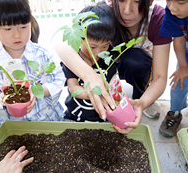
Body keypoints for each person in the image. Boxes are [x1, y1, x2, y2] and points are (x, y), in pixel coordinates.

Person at [54, 0, 172, 134]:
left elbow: (160, 77)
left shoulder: (158, 19)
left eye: (137, 1)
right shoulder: (104, 12)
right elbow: (62, 43)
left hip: (128, 64)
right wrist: (90, 75)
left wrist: (142, 102)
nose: (127, 11)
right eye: (121, 0)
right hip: (104, 64)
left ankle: (138, 99)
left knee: (136, 62)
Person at [0, 0, 66, 131]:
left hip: (46, 119)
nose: (17, 35)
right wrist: (2, 99)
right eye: (8, 28)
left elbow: (58, 80)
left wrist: (37, 92)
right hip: (12, 126)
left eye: (24, 26)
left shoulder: (43, 55)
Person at [62, 2, 117, 122]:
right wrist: (96, 94)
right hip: (75, 117)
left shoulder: (109, 58)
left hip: (103, 118)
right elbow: (74, 89)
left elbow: (112, 85)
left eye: (105, 46)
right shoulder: (73, 59)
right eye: (92, 47)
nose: (98, 52)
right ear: (79, 39)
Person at [158, 0, 188, 137]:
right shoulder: (172, 13)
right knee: (179, 82)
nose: (172, 7)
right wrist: (182, 66)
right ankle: (175, 112)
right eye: (168, 0)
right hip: (186, 53)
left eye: (181, 2)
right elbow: (179, 40)